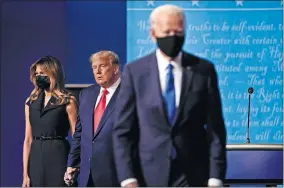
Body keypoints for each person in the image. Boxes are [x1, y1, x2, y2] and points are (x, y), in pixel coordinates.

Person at [112, 4, 227, 187]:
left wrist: (215, 178)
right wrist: (128, 179)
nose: (173, 38)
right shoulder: (135, 72)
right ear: (153, 34)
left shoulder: (203, 70)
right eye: (167, 32)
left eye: (178, 32)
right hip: (148, 176)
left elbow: (216, 129)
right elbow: (123, 131)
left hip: (193, 175)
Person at [65, 51, 121, 187]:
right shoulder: (86, 94)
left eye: (102, 66)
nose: (98, 71)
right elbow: (79, 133)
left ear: (115, 68)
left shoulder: (129, 93)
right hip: (87, 175)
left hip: (116, 174)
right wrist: (72, 164)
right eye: (94, 68)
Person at [22, 56, 78, 187]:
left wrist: (74, 165)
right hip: (35, 159)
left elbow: (77, 137)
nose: (38, 76)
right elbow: (28, 139)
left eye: (42, 73)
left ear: (53, 73)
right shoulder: (30, 102)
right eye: (36, 74)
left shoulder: (67, 101)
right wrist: (25, 174)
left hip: (58, 156)